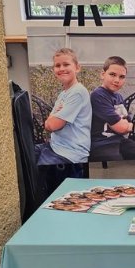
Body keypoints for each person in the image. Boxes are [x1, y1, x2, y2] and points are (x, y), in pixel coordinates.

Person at [37, 47, 92, 196]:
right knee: (26, 155)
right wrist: (52, 118)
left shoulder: (78, 92)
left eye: (66, 64)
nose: (61, 69)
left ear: (77, 67)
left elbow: (52, 125)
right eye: (57, 65)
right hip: (57, 147)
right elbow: (50, 121)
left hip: (69, 154)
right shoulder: (64, 94)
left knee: (36, 173)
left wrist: (51, 119)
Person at [89, 56, 135, 177]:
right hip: (101, 143)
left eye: (122, 77)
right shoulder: (98, 95)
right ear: (102, 74)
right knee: (120, 157)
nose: (117, 80)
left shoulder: (118, 97)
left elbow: (129, 124)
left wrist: (123, 125)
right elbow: (122, 128)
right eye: (112, 74)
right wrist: (123, 125)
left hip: (118, 140)